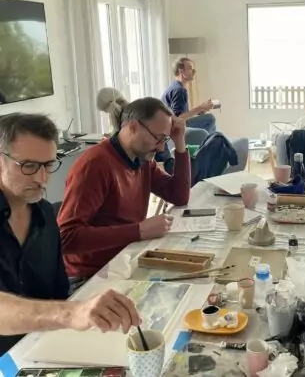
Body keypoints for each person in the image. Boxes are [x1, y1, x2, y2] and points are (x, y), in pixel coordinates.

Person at [0, 113, 140, 355]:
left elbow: (58, 293)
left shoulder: (45, 215)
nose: (41, 179)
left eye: (48, 165)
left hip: (41, 349)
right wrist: (71, 313)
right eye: (29, 166)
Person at [57, 97, 191, 293]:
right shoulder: (94, 165)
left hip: (124, 259)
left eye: (165, 140)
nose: (162, 148)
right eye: (158, 138)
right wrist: (139, 231)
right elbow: (66, 238)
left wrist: (179, 142)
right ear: (133, 127)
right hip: (90, 276)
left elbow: (179, 196)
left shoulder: (142, 160)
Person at [161, 57, 217, 133]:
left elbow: (181, 115)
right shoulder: (179, 90)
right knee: (210, 118)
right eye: (190, 68)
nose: (194, 72)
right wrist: (201, 107)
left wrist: (199, 112)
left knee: (211, 124)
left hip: (171, 128)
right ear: (181, 71)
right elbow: (179, 118)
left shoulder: (174, 87)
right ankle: (208, 140)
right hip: (175, 129)